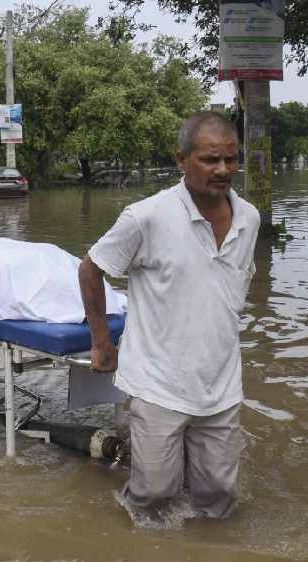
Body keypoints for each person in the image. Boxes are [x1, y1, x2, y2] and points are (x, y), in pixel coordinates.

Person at [78, 111, 260, 519]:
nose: (223, 170)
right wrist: (102, 341)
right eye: (210, 160)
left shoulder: (249, 217)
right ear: (181, 160)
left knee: (219, 496)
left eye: (231, 160)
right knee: (153, 493)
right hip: (158, 381)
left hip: (221, 383)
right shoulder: (147, 217)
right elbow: (91, 266)